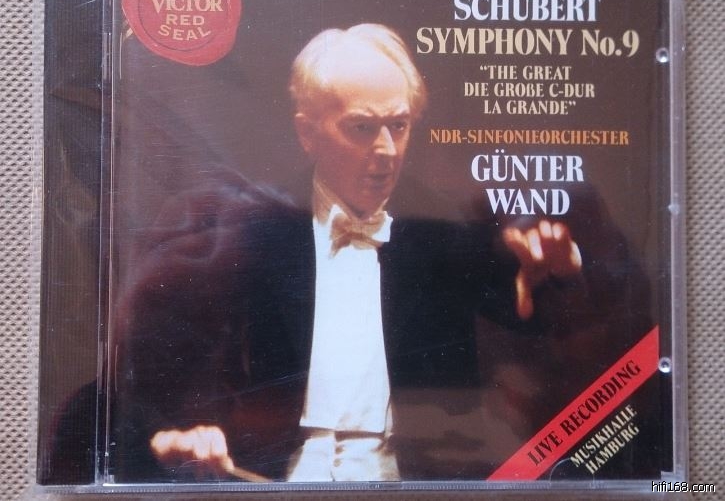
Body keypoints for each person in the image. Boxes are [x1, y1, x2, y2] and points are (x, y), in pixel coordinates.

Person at [113, 24, 587, 482]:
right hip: (268, 480)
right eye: (362, 127)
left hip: (413, 483)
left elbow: (532, 326)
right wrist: (185, 432)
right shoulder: (253, 227)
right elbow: (167, 364)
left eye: (398, 126)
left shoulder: (445, 231)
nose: (387, 150)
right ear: (307, 134)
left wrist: (558, 274)